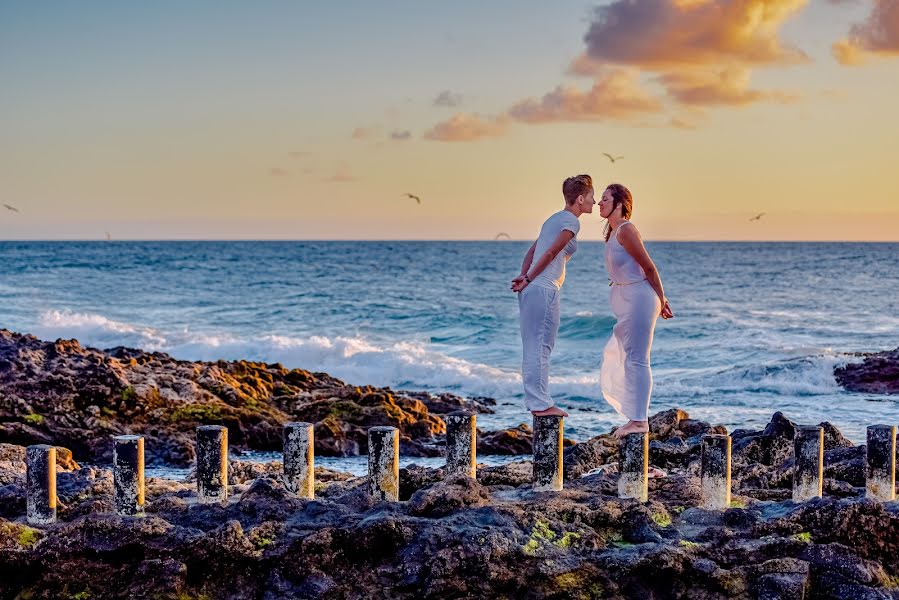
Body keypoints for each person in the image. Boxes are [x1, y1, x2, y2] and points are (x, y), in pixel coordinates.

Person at [512, 174, 595, 417]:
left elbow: (532, 251)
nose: (594, 201)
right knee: (542, 347)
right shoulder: (572, 221)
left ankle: (536, 402)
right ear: (580, 199)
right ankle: (541, 404)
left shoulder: (553, 219)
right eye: (591, 197)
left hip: (532, 288)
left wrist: (524, 276)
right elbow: (548, 253)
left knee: (532, 346)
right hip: (544, 288)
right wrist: (527, 278)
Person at [598, 183, 673, 439]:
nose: (599, 203)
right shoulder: (612, 232)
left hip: (640, 297)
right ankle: (634, 417)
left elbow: (649, 268)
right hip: (626, 297)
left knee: (638, 358)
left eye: (605, 199)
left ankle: (640, 420)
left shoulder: (627, 230)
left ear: (619, 203)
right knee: (629, 357)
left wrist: (662, 300)